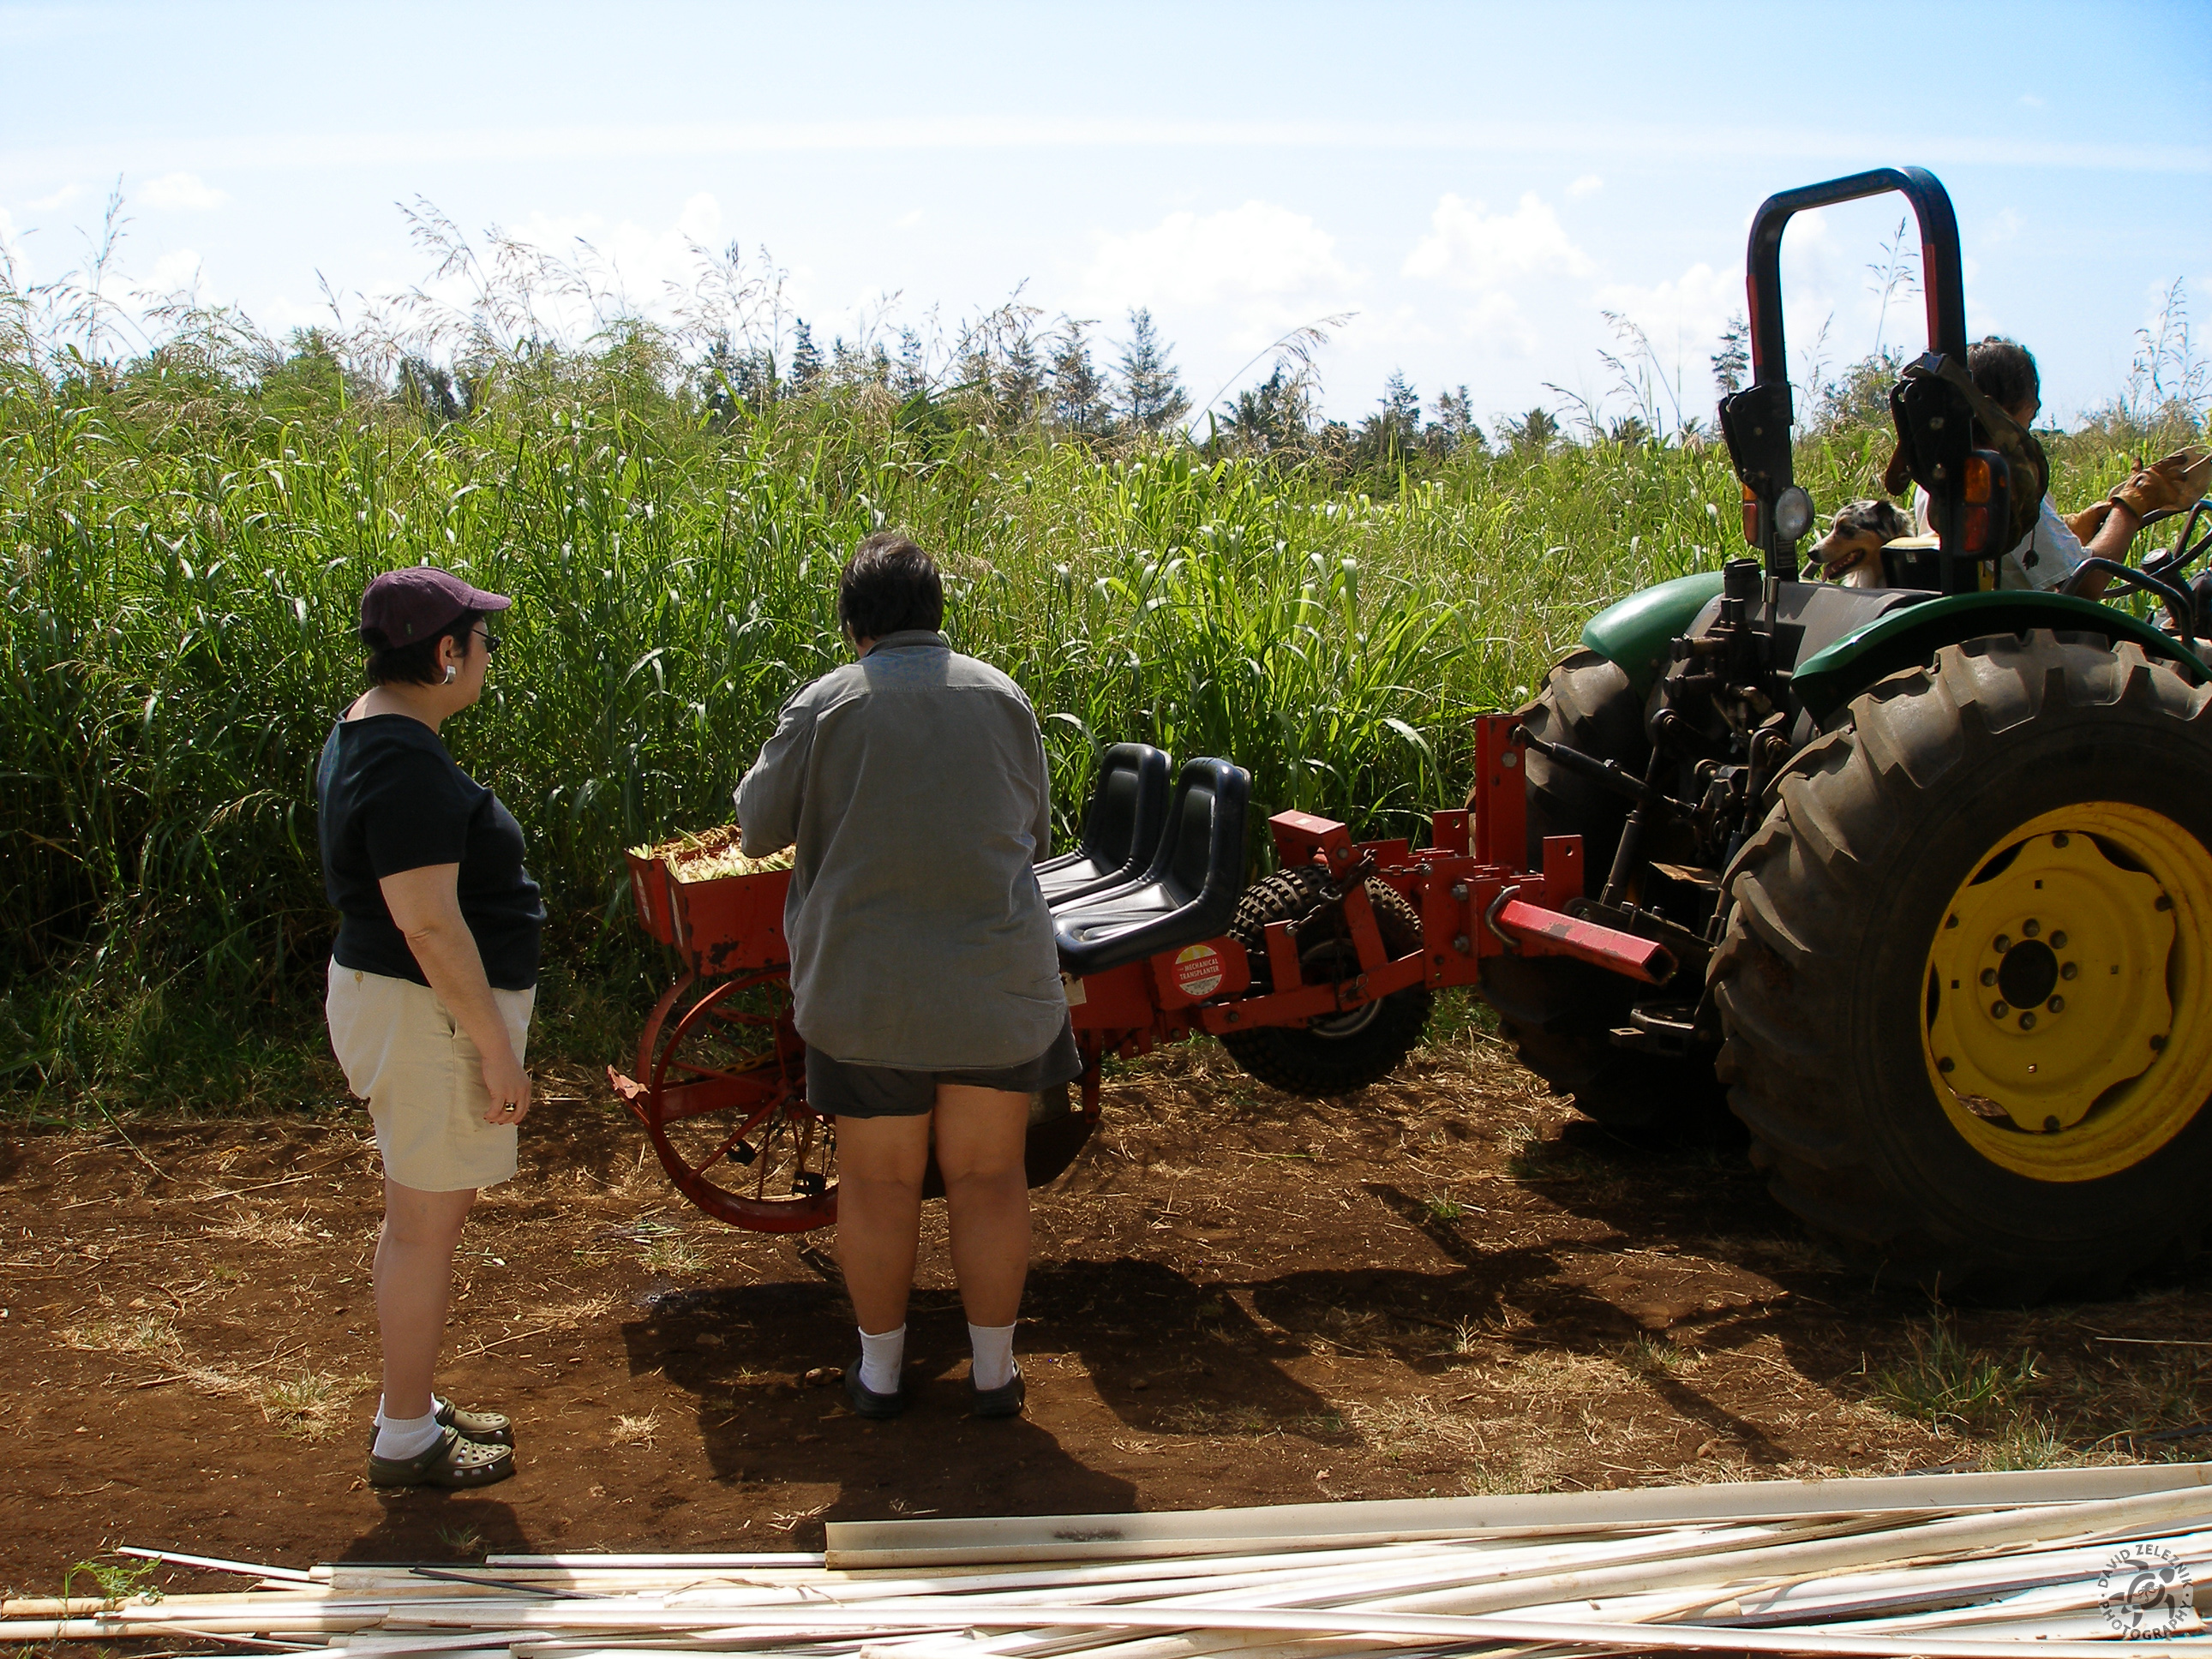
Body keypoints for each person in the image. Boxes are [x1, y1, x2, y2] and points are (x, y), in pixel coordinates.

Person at [734, 532, 1078, 1422]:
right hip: (995, 986)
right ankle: (995, 1375)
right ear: (936, 617)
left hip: (865, 993)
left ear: (854, 624)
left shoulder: (826, 703)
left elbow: (754, 829)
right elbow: (1032, 835)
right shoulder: (1002, 696)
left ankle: (881, 1374)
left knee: (879, 1181)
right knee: (990, 1174)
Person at [317, 566, 544, 1488]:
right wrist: (496, 1050)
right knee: (422, 1228)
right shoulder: (403, 762)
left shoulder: (368, 728)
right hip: (426, 1015)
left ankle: (408, 1404)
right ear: (446, 653)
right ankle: (405, 1435)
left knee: (415, 1219)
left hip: (404, 1004)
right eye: (481, 639)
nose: (488, 653)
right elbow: (427, 921)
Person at [1911, 337, 2208, 597]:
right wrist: (2131, 506)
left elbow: (2015, 554)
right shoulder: (2002, 478)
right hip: (2021, 640)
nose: (2037, 406)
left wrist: (2073, 528)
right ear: (2002, 405)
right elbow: (2084, 586)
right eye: (2030, 397)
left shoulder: (1935, 479)